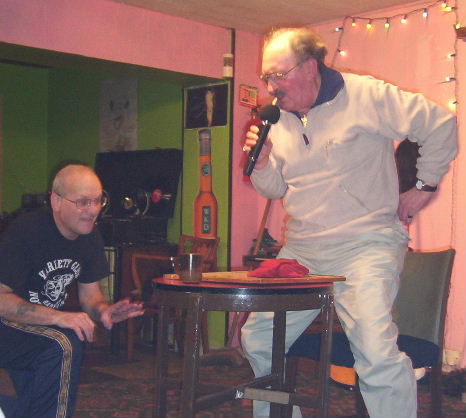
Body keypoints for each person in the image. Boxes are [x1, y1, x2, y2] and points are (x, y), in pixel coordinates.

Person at [241, 27, 457, 418]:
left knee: (374, 349)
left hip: (366, 244)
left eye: (278, 74)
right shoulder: (277, 119)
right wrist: (260, 161)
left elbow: (440, 123)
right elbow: (275, 188)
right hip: (304, 250)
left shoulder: (365, 95)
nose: (272, 86)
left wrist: (423, 187)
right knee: (257, 337)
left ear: (309, 67)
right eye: (266, 77)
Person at [0, 164, 144, 418]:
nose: (93, 211)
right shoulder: (24, 231)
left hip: (32, 331)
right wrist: (59, 317)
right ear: (56, 201)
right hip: (6, 323)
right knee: (64, 341)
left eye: (99, 201)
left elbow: (90, 296)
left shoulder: (90, 237)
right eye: (83, 202)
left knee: (57, 346)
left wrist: (104, 311)